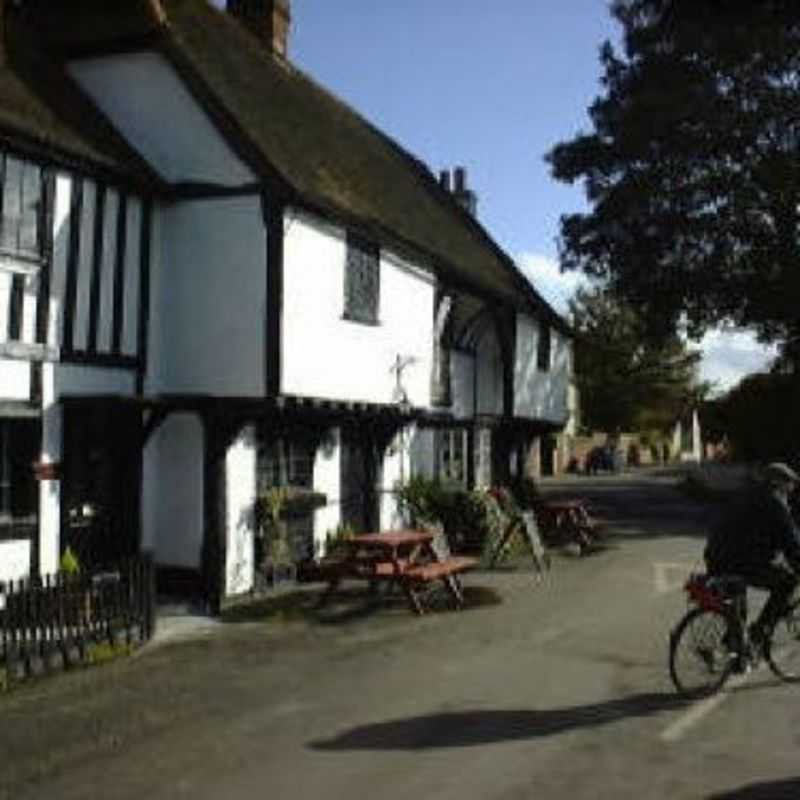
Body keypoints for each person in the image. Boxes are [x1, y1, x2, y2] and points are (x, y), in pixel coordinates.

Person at [704, 462, 800, 651]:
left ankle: (732, 653)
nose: (790, 491)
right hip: (741, 562)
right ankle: (760, 631)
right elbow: (791, 544)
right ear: (778, 484)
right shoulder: (775, 503)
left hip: (716, 557)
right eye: (789, 486)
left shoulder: (745, 493)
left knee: (737, 609)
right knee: (787, 582)